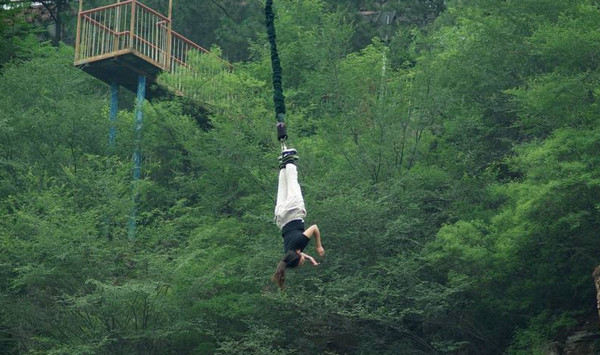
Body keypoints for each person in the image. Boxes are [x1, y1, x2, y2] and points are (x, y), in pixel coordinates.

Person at [272, 148, 324, 290]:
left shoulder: (299, 243)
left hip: (294, 211)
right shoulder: (289, 251)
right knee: (282, 187)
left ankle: (289, 159)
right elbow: (298, 252)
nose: (303, 262)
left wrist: (318, 245)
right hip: (281, 216)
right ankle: (283, 166)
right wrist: (310, 258)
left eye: (301, 262)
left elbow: (314, 228)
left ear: (297, 257)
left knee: (293, 183)